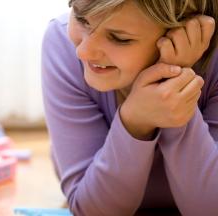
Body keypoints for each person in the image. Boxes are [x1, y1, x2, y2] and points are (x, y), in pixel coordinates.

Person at [41, 0, 218, 215]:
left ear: (184, 31)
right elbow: (92, 211)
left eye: (119, 38)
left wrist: (172, 83)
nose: (83, 52)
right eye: (80, 18)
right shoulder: (62, 45)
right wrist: (135, 120)